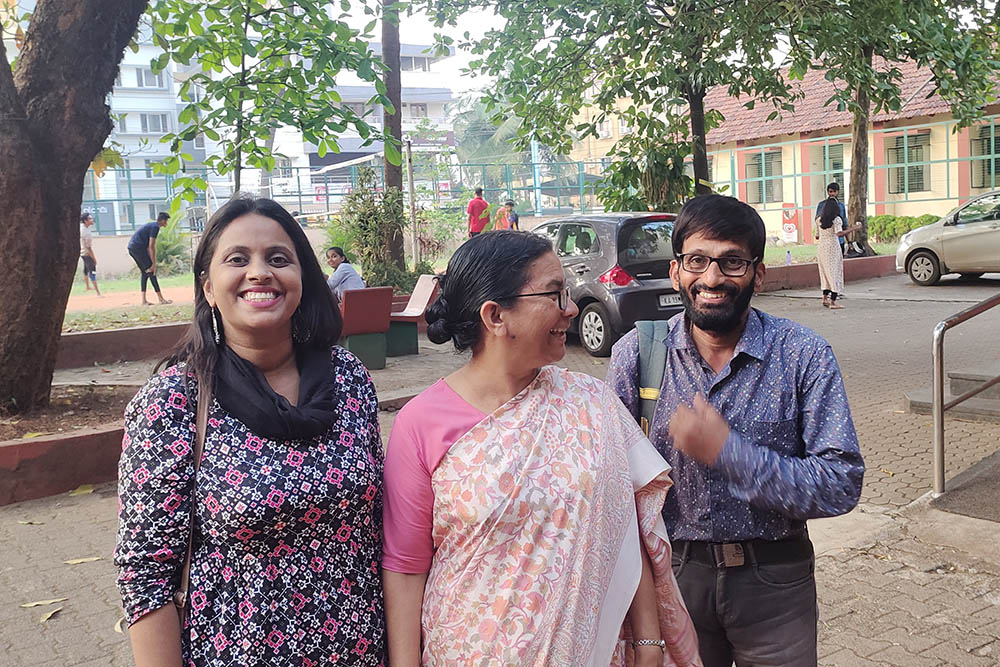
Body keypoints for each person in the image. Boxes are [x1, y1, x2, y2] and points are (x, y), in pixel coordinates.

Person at [382, 231, 700, 666]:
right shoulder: (420, 423)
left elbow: (628, 532)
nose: (570, 309)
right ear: (495, 316)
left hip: (590, 651)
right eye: (554, 294)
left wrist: (648, 644)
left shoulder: (593, 402)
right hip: (466, 653)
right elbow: (405, 566)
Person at [115, 196, 386, 666]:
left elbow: (379, 524)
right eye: (237, 259)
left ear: (303, 279)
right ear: (207, 288)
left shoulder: (348, 378)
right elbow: (146, 574)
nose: (260, 272)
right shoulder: (174, 402)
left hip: (361, 651)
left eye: (279, 259)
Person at [607, 194, 865, 667]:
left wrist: (731, 454)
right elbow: (612, 489)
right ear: (676, 271)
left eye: (731, 262)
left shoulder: (803, 355)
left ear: (758, 274)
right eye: (697, 260)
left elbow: (842, 483)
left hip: (774, 580)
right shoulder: (637, 355)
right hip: (672, 577)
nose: (711, 278)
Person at [815, 197, 862, 309]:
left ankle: (824, 298)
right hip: (832, 247)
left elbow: (817, 235)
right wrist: (854, 228)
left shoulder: (819, 219)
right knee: (834, 272)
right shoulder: (836, 220)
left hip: (822, 247)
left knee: (825, 273)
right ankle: (833, 301)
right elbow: (839, 233)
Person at [127, 212, 173, 305]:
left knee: (145, 272)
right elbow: (151, 246)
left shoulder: (153, 225)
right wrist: (153, 264)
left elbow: (149, 247)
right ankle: (161, 299)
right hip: (137, 248)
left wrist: (152, 263)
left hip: (133, 248)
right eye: (166, 221)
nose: (166, 223)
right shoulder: (155, 227)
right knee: (151, 272)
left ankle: (144, 300)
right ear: (163, 221)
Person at [815, 182, 848, 254]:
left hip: (839, 240)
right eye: (830, 191)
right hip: (826, 240)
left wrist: (848, 241)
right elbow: (818, 221)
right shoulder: (822, 205)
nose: (832, 194)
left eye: (834, 191)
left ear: (838, 192)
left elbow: (844, 223)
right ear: (827, 192)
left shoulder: (841, 206)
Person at [79, 212, 101, 296]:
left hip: (82, 253)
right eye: (90, 219)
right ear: (85, 221)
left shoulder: (82, 228)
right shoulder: (86, 232)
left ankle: (87, 287)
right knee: (92, 271)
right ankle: (98, 292)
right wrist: (94, 258)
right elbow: (89, 248)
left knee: (86, 269)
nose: (92, 220)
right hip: (86, 253)